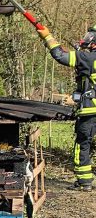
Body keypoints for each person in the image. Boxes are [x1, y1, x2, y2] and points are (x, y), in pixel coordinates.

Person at [37, 23, 96, 189]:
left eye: (90, 36)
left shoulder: (88, 58)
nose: (87, 39)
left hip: (91, 110)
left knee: (83, 144)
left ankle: (84, 182)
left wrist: (47, 36)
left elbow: (60, 55)